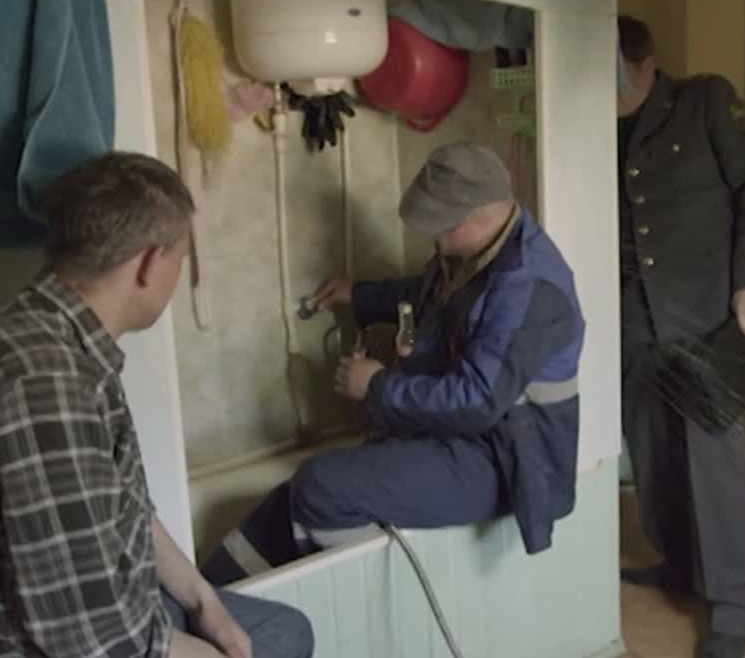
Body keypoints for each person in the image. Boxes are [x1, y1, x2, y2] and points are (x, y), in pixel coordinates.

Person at [0, 152, 314, 658]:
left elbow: (125, 507)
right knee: (275, 646)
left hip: (83, 616)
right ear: (151, 264)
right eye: (180, 260)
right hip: (16, 644)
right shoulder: (44, 388)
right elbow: (95, 642)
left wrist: (205, 603)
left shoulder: (53, 337)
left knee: (284, 632)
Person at [199, 142, 585, 585]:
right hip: (467, 439)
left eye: (437, 228)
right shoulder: (476, 255)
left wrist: (376, 386)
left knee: (320, 486)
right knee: (293, 499)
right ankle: (211, 594)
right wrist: (359, 295)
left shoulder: (529, 288)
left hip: (509, 461)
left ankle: (360, 607)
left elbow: (477, 401)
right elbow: (426, 294)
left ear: (465, 220)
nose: (432, 239)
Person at [616, 16, 745, 658]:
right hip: (635, 323)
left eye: (616, 76)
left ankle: (734, 609)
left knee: (715, 469)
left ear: (644, 64)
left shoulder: (705, 100)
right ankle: (681, 566)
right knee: (653, 457)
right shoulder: (591, 121)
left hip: (706, 315)